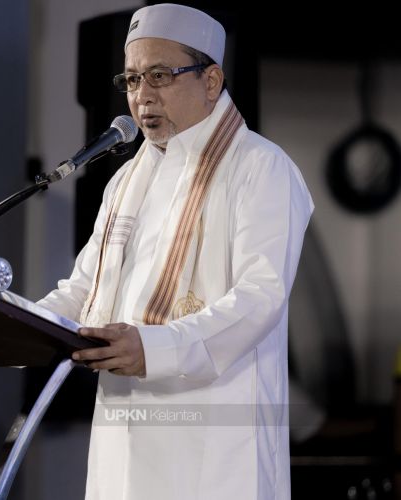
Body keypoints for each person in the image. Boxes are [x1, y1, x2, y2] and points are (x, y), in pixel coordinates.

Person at [37, 4, 313, 499]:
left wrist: (154, 348)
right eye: (132, 79)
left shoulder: (261, 168)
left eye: (160, 76)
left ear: (211, 80)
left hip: (214, 451)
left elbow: (260, 298)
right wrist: (15, 324)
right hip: (121, 444)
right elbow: (83, 289)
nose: (142, 96)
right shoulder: (126, 181)